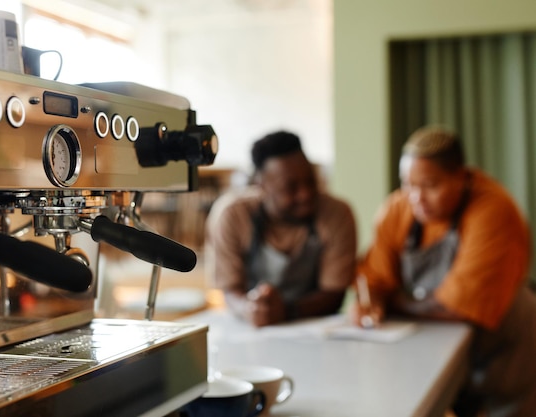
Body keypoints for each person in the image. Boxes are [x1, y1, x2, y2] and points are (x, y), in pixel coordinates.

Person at [353, 125, 536, 416]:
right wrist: (372, 300)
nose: (416, 198)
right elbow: (374, 279)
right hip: (444, 347)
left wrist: (395, 302)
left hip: (504, 347)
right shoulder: (397, 209)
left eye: (430, 185)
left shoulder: (494, 210)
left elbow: (458, 308)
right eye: (407, 184)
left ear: (461, 178)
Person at [205, 130, 357, 327]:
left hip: (313, 328)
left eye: (310, 181)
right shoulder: (232, 216)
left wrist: (286, 311)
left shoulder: (336, 214)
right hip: (251, 331)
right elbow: (230, 290)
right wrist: (250, 309)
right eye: (291, 188)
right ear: (262, 186)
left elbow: (334, 294)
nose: (305, 194)